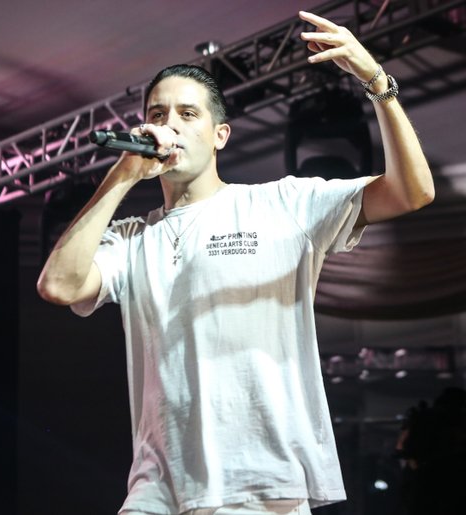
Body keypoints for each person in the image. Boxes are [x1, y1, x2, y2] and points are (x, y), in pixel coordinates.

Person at [37, 11, 434, 515]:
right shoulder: (132, 239)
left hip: (259, 485)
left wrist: (376, 81)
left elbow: (412, 191)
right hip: (157, 489)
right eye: (158, 114)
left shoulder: (282, 204)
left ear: (220, 135)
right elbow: (59, 286)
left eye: (187, 114)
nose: (169, 125)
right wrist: (121, 177)